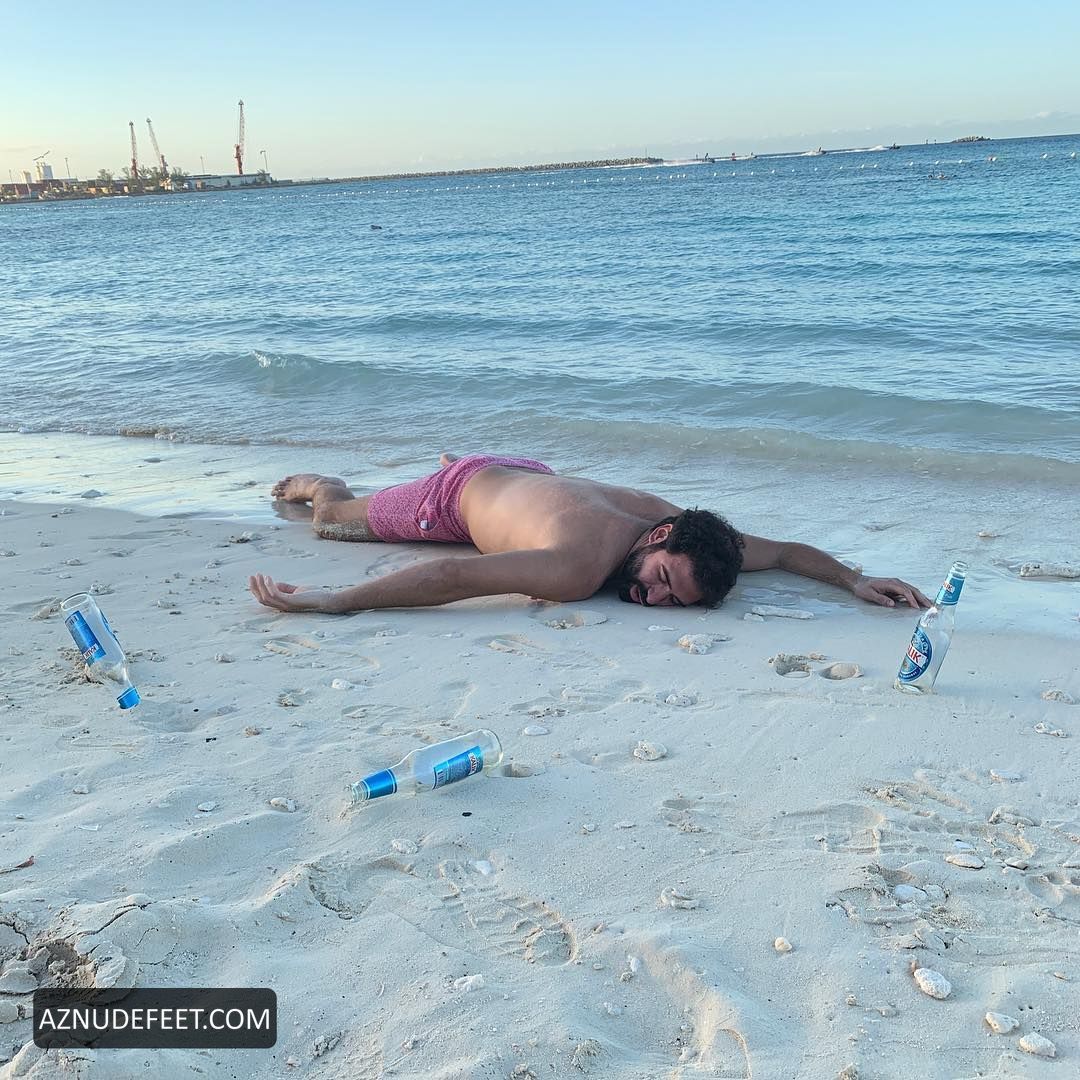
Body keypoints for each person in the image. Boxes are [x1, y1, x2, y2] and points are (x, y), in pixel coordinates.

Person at [249, 452, 930, 614]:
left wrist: (854, 579)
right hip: (454, 498)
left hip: (532, 476)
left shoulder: (698, 541)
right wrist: (335, 601)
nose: (652, 598)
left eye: (672, 601)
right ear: (659, 537)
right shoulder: (577, 568)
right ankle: (323, 482)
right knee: (333, 524)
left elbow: (783, 553)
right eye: (661, 581)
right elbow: (452, 576)